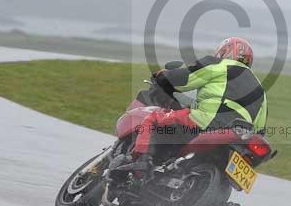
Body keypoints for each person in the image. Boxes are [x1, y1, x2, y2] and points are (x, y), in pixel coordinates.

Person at [109, 37, 267, 179]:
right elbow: (260, 129)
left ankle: (140, 163)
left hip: (205, 121)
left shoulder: (220, 65)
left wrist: (163, 76)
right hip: (236, 137)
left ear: (226, 51)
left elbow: (187, 78)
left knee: (153, 118)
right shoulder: (261, 90)